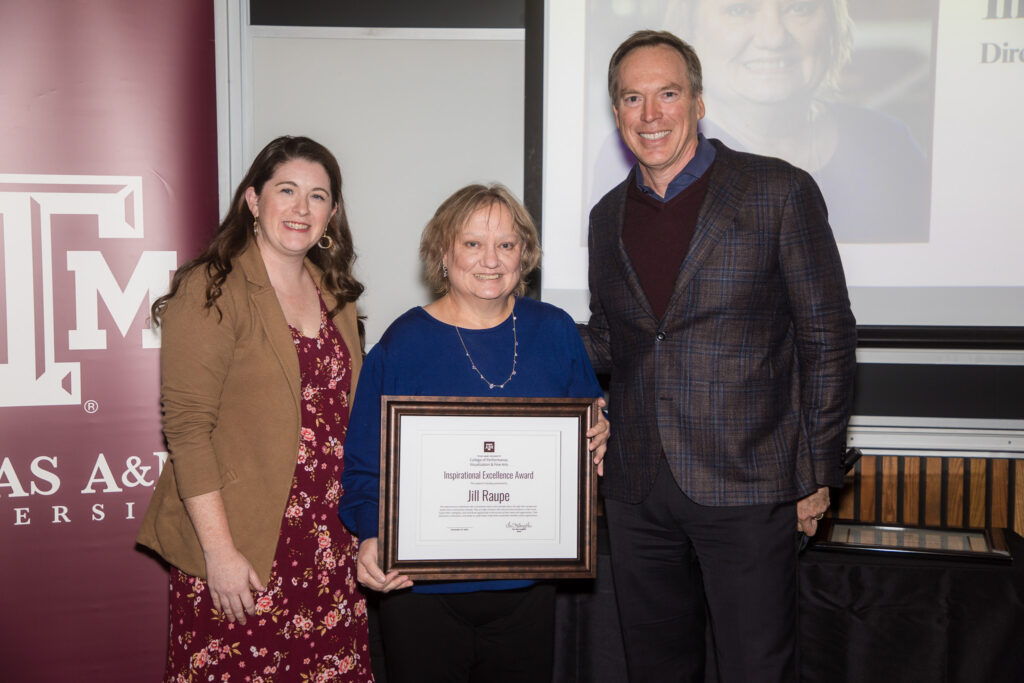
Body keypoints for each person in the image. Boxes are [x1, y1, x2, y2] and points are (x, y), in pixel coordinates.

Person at [579, 31, 857, 682]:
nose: (651, 115)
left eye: (668, 94)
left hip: (750, 487)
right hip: (637, 488)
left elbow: (827, 338)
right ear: (616, 111)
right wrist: (506, 331)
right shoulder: (605, 215)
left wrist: (816, 473)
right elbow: (612, 337)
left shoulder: (778, 191)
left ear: (698, 102)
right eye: (632, 98)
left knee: (756, 668)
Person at [339, 183, 609, 683]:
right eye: (472, 243)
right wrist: (372, 533)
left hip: (527, 588)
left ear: (524, 255)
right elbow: (362, 466)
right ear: (443, 252)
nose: (491, 260)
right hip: (419, 590)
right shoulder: (404, 342)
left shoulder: (554, 332)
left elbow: (587, 420)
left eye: (506, 245)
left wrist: (597, 434)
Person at [137, 136, 374, 682]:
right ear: (252, 200)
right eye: (285, 190)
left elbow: (351, 418)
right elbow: (189, 430)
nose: (300, 208)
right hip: (244, 549)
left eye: (318, 197)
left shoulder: (336, 292)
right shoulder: (212, 288)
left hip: (328, 549)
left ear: (332, 214)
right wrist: (218, 552)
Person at [591, 0, 930, 243]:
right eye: (740, 9)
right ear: (688, 28)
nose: (774, 37)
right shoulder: (625, 177)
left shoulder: (890, 145)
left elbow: (826, 332)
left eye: (799, 8)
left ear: (833, 24)